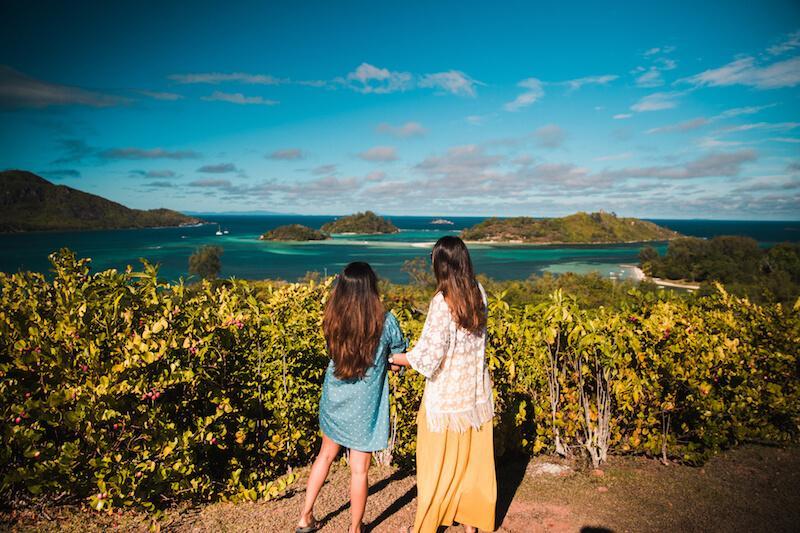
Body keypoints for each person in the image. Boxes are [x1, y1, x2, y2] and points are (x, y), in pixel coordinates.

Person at [390, 236, 497, 533]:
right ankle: (471, 524)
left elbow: (429, 356)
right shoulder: (479, 293)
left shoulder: (442, 301)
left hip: (446, 401)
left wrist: (394, 358)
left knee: (434, 467)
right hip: (475, 397)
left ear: (441, 265)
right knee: (471, 467)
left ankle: (425, 527)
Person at [296, 261, 407, 533]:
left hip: (335, 396)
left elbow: (333, 352)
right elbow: (397, 356)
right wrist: (385, 362)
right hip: (365, 404)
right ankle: (355, 528)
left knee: (325, 456)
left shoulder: (333, 318)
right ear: (372, 287)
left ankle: (305, 517)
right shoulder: (386, 321)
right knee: (359, 469)